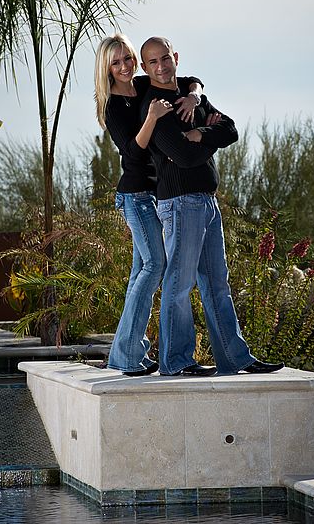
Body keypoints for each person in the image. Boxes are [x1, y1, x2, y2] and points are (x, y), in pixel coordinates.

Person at [139, 36, 285, 376]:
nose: (161, 67)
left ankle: (235, 358)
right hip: (179, 204)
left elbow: (230, 129)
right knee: (180, 284)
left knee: (217, 283)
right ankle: (176, 362)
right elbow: (185, 158)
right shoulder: (156, 107)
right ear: (145, 68)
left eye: (165, 59)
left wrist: (202, 134)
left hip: (206, 203)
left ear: (175, 57)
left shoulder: (192, 99)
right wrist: (205, 142)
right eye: (153, 63)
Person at [94, 32, 204, 376]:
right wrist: (153, 117)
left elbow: (190, 80)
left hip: (154, 195)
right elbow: (131, 150)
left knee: (140, 272)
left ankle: (125, 354)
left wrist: (194, 97)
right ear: (107, 68)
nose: (125, 66)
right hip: (135, 195)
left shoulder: (141, 86)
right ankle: (126, 356)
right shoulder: (112, 104)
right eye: (117, 62)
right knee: (154, 266)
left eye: (127, 58)